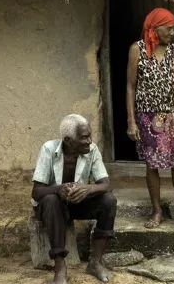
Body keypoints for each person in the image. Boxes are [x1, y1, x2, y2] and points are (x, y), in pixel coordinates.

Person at [126, 7, 174, 231]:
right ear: (155, 27)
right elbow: (130, 87)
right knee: (152, 165)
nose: (172, 32)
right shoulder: (136, 50)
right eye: (169, 28)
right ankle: (156, 211)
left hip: (170, 116)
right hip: (147, 117)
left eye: (173, 28)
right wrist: (131, 120)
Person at [32, 114, 117, 284]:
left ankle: (95, 262)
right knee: (50, 200)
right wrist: (58, 189)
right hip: (52, 208)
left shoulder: (92, 150)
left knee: (109, 201)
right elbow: (36, 192)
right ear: (69, 141)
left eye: (90, 136)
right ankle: (60, 266)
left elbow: (105, 184)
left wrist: (88, 189)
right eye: (84, 137)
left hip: (77, 204)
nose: (89, 141)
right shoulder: (49, 149)